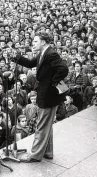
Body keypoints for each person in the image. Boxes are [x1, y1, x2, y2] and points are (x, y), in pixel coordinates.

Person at [11, 32, 69, 162]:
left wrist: (52, 82)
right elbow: (31, 63)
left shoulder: (51, 54)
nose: (33, 43)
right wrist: (17, 57)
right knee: (47, 124)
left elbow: (64, 69)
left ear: (43, 42)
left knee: (41, 125)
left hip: (48, 95)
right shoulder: (43, 53)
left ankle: (35, 155)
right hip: (47, 95)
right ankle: (48, 152)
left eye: (35, 41)